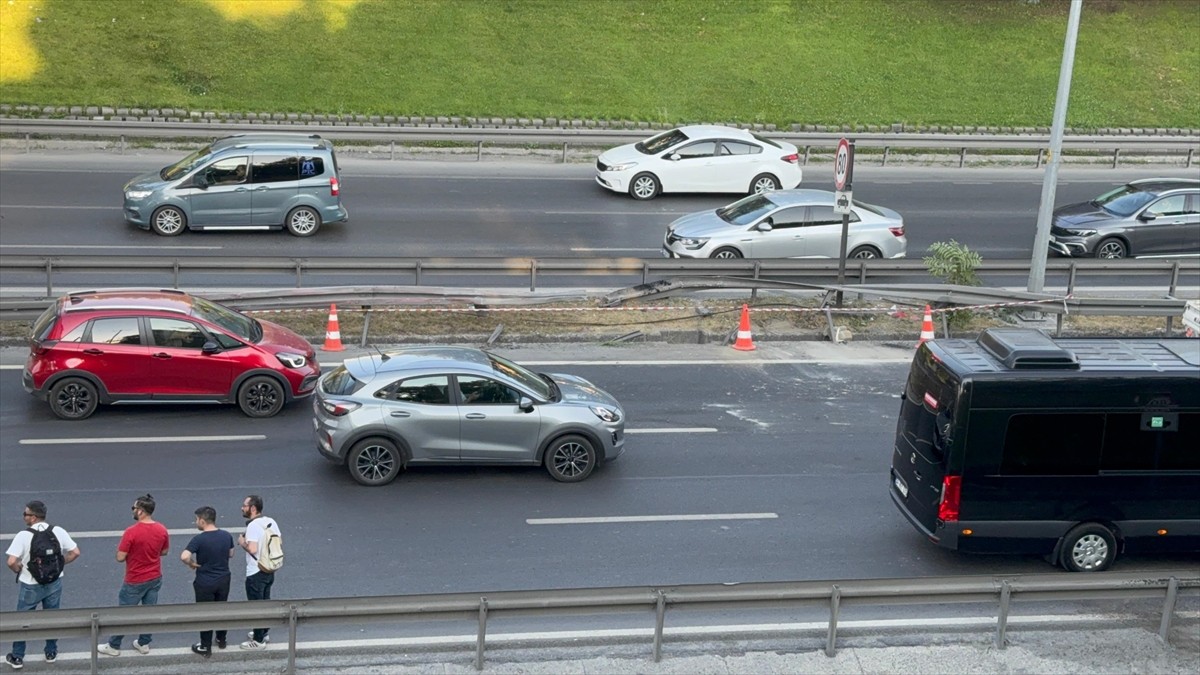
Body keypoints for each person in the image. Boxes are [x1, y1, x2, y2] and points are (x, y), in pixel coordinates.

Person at [5, 500, 81, 670]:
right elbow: (75, 552)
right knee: (51, 617)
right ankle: (51, 652)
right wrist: (59, 566)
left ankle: (17, 656)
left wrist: (19, 569)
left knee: (23, 621)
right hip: (54, 582)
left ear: (34, 517)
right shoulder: (58, 531)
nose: (24, 516)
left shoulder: (24, 535)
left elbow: (11, 561)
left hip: (30, 584)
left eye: (26, 514)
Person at [98, 494, 169, 657]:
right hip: (155, 577)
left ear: (141, 511)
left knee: (124, 614)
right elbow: (164, 551)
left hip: (135, 579)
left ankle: (114, 645)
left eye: (134, 508)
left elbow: (120, 557)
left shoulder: (131, 532)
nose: (132, 511)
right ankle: (144, 643)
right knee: (148, 612)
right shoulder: (162, 529)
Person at [180, 506, 234, 658]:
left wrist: (191, 563)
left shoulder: (199, 539)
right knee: (221, 609)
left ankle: (205, 646)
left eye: (197, 519)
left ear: (202, 521)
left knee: (205, 612)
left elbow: (184, 556)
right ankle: (221, 639)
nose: (196, 522)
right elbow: (231, 553)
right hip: (223, 579)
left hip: (205, 582)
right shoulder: (226, 535)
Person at [238, 495, 280, 650]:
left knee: (256, 606)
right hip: (269, 568)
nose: (242, 508)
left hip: (256, 571)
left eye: (244, 505)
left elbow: (253, 549)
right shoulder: (271, 522)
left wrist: (242, 542)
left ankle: (258, 641)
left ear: (253, 508)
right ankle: (264, 632)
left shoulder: (253, 526)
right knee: (265, 602)